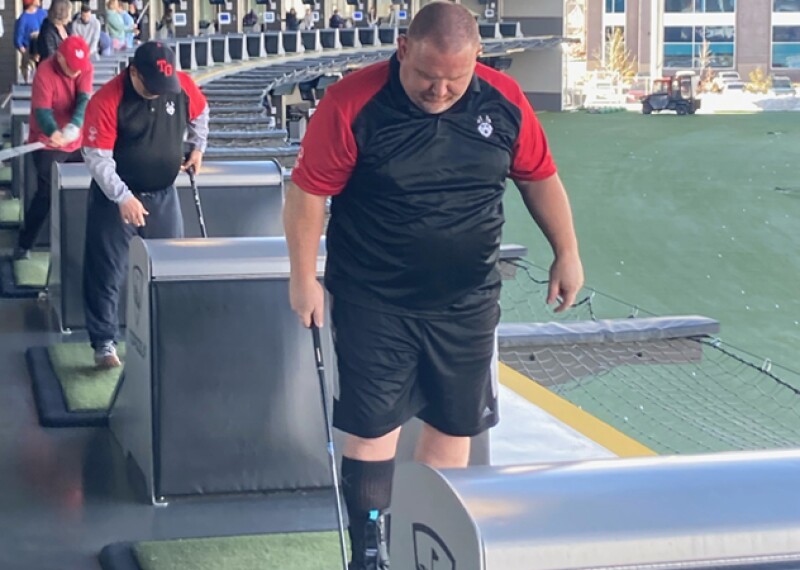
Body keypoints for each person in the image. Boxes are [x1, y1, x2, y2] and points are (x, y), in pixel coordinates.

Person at [283, 3, 584, 569]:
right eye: (427, 76)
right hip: (374, 297)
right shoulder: (352, 102)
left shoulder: (504, 101)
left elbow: (539, 177)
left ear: (477, 61)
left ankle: (425, 535)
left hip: (466, 301)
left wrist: (566, 252)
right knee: (373, 427)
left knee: (453, 425)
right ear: (402, 49)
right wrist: (303, 279)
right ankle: (369, 549)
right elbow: (307, 195)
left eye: (455, 79)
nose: (440, 91)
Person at [81, 42, 208, 368]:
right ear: (134, 72)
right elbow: (97, 159)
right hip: (115, 198)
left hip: (164, 194)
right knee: (107, 271)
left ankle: (168, 335)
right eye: (151, 87)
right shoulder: (107, 100)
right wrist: (123, 196)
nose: (158, 93)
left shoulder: (178, 85)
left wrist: (197, 147)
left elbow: (202, 112)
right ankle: (104, 344)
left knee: (170, 268)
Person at [14, 36, 93, 261]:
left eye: (80, 68)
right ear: (59, 57)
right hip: (46, 141)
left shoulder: (84, 67)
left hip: (76, 140)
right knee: (46, 194)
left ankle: (81, 248)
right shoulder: (45, 72)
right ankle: (24, 244)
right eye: (72, 68)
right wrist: (54, 132)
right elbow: (42, 111)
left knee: (86, 189)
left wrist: (75, 125)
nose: (77, 72)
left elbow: (84, 100)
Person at [13, 0, 47, 83]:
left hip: (43, 49)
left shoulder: (43, 13)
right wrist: (26, 54)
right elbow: (18, 39)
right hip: (30, 52)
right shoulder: (23, 18)